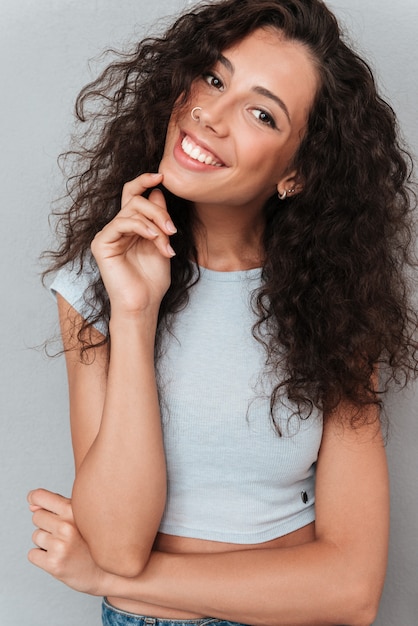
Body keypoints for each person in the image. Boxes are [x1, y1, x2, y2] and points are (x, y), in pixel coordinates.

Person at [27, 0, 418, 624]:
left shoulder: (337, 305)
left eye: (261, 112)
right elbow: (120, 541)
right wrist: (135, 313)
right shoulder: (96, 284)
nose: (210, 114)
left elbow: (351, 590)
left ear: (296, 170)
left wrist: (106, 576)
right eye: (214, 77)